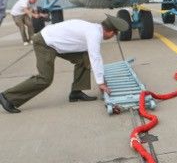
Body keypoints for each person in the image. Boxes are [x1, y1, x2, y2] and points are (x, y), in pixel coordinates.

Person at [0, 15, 129, 114]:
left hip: (56, 43)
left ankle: (76, 92)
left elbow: (90, 55)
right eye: (114, 34)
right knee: (45, 79)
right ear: (111, 32)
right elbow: (95, 56)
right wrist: (101, 83)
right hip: (45, 43)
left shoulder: (94, 28)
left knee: (84, 58)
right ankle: (7, 97)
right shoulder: (94, 33)